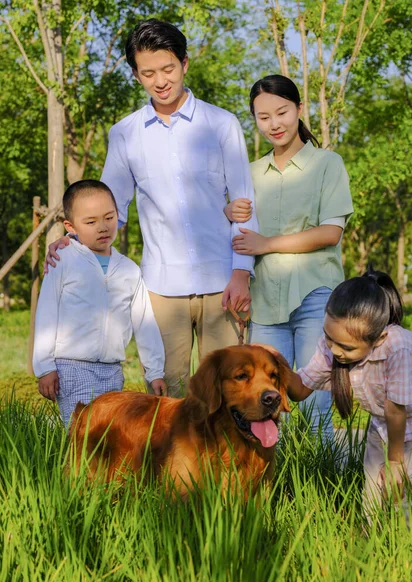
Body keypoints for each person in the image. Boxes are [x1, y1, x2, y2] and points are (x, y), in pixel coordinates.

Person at [45, 18, 258, 398]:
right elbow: (110, 207)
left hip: (222, 280)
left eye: (168, 69)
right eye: (148, 73)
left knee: (230, 393)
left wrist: (241, 273)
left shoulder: (221, 124)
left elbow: (244, 203)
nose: (160, 81)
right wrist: (72, 241)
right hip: (161, 287)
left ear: (185, 64)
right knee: (167, 396)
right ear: (135, 74)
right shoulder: (125, 133)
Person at [226, 74, 353, 441]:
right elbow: (238, 233)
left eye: (281, 112)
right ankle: (278, 481)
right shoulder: (250, 174)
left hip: (316, 296)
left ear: (299, 109)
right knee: (264, 399)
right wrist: (228, 210)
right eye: (263, 117)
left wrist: (267, 243)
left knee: (315, 402)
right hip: (265, 303)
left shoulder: (327, 164)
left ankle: (320, 484)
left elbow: (331, 232)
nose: (274, 124)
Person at [279, 269, 412, 517]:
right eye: (329, 338)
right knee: (372, 485)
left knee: (407, 489)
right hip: (385, 419)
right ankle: (372, 531)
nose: (334, 350)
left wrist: (395, 463)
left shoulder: (399, 349)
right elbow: (301, 389)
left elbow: (396, 410)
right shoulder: (333, 343)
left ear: (379, 339)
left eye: (346, 347)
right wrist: (276, 365)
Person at [33, 180, 166, 427]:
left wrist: (155, 371)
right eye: (91, 222)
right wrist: (44, 367)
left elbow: (144, 322)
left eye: (109, 217)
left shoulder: (129, 270)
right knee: (81, 434)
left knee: (110, 435)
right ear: (70, 226)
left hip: (112, 369)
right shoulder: (62, 260)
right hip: (71, 368)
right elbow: (46, 314)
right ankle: (73, 468)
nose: (103, 227)